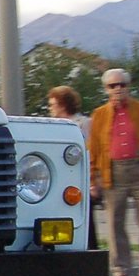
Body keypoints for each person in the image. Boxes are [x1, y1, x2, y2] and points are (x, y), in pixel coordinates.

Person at [87, 69, 139, 276]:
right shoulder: (100, 114)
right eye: (113, 86)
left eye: (122, 84)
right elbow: (93, 149)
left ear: (128, 86)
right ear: (106, 89)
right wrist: (92, 179)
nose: (118, 89)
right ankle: (121, 268)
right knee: (115, 222)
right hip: (113, 172)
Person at [47, 85, 96, 247]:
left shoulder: (82, 124)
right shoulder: (53, 125)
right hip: (59, 179)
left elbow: (90, 151)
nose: (50, 108)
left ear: (63, 104)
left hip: (80, 179)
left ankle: (87, 246)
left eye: (52, 104)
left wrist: (93, 180)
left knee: (84, 215)